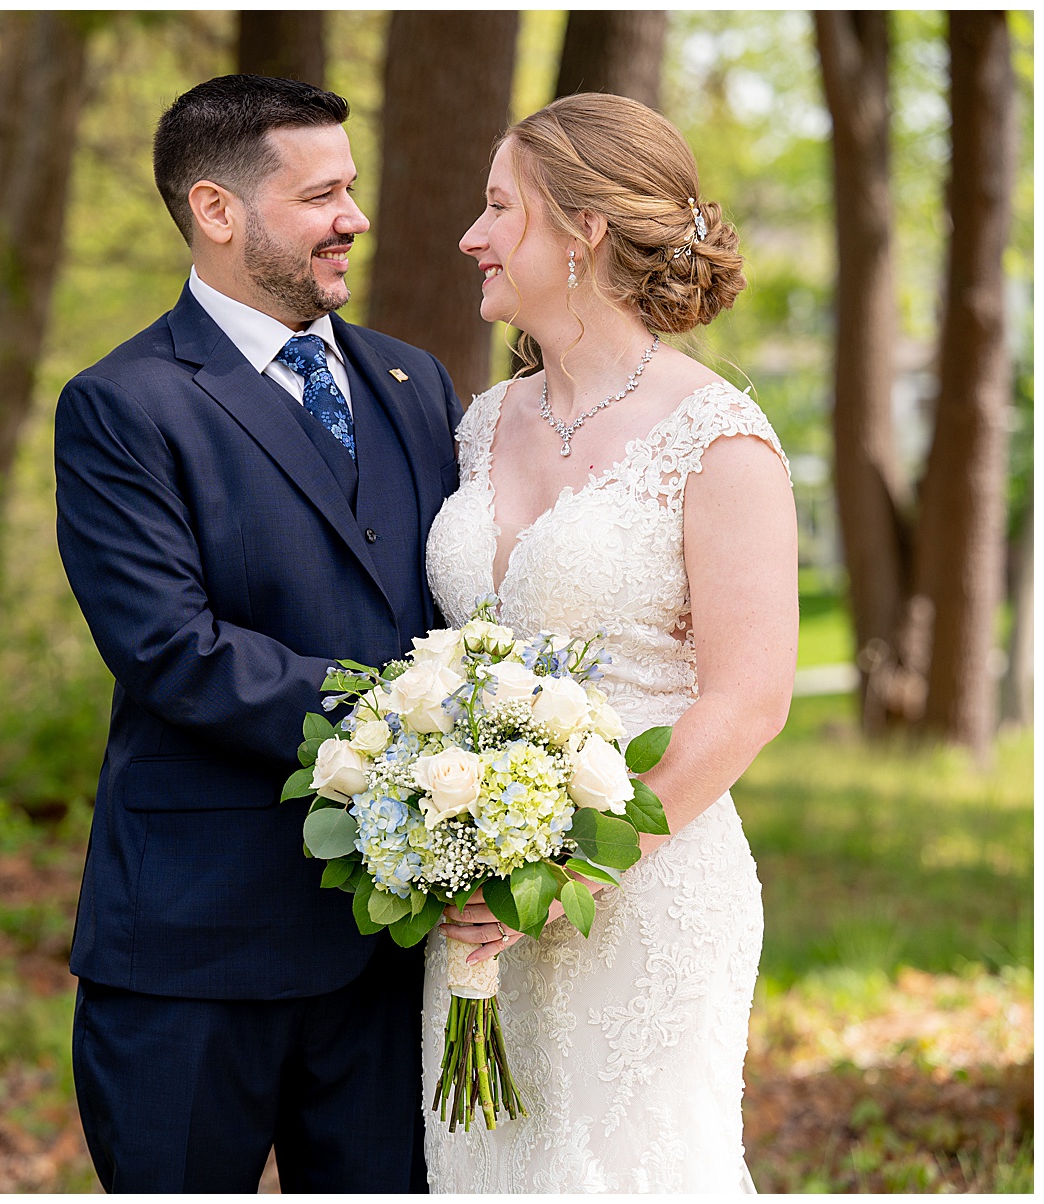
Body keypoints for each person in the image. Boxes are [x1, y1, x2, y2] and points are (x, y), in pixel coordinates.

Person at [54, 74, 461, 1192]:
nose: (354, 218)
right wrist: (416, 728)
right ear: (216, 209)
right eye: (322, 194)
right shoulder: (123, 404)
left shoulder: (411, 381)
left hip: (389, 945)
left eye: (354, 187)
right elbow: (169, 647)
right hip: (194, 946)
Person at [423, 93, 798, 1192]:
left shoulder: (717, 436)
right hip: (477, 909)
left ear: (581, 230)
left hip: (643, 893)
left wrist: (563, 867)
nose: (472, 237)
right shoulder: (483, 422)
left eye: (500, 209)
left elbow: (748, 701)